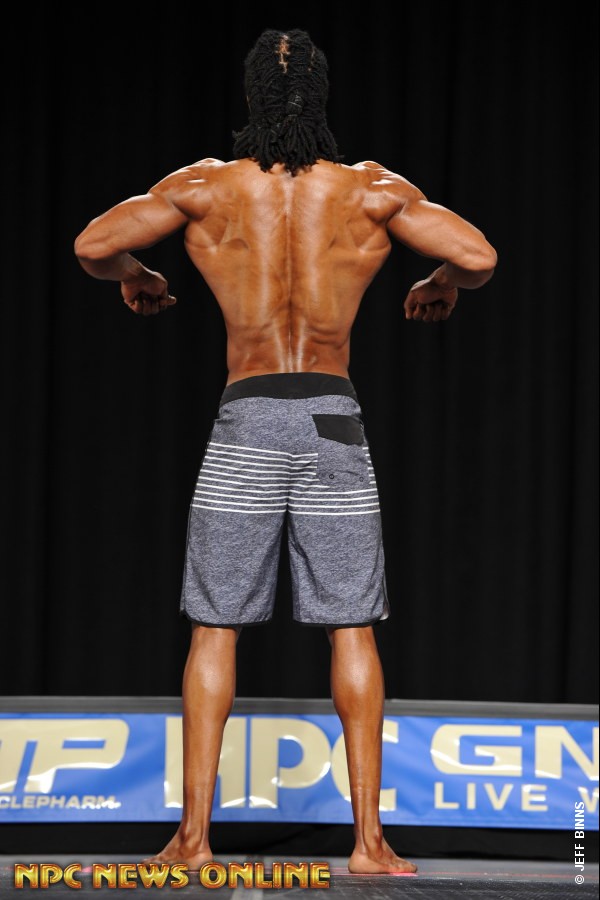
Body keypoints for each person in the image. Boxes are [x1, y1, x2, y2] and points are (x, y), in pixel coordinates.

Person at [74, 28, 496, 876]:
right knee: (352, 625)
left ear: (251, 101)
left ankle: (193, 840)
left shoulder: (205, 186)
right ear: (322, 97)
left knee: (215, 626)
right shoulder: (372, 189)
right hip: (333, 420)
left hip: (248, 420)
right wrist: (441, 283)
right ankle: (370, 845)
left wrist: (138, 277)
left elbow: (92, 244)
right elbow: (479, 256)